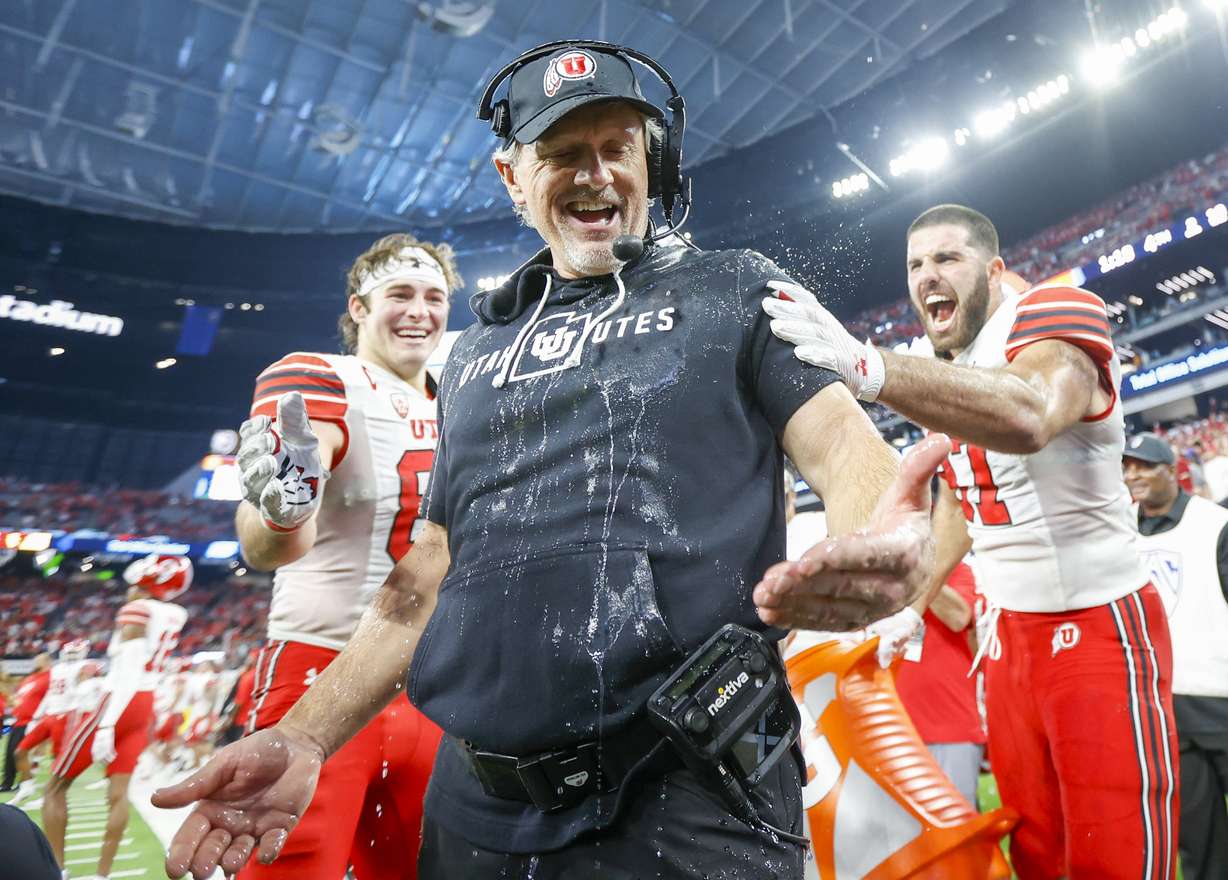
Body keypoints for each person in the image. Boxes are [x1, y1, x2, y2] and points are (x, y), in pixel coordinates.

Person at [154, 40, 946, 880]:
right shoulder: (473, 354)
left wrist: (880, 538)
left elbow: (843, 447)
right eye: (563, 154)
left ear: (658, 162)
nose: (595, 174)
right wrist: (305, 732)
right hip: (475, 812)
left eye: (618, 149)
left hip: (691, 801)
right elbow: (422, 580)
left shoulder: (738, 287)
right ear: (513, 179)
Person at [764, 203, 1178, 878]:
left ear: (993, 269)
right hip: (1006, 634)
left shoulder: (1052, 313)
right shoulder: (941, 361)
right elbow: (962, 489)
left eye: (947, 258)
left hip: (1098, 619)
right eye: (916, 264)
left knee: (1115, 850)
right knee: (1037, 848)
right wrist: (912, 603)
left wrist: (871, 369)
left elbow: (1030, 412)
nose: (929, 275)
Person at [214, 231, 455, 880]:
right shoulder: (323, 377)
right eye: (399, 294)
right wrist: (284, 507)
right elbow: (272, 544)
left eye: (434, 297)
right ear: (357, 307)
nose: (419, 310)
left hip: (437, 684)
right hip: (320, 671)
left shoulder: (466, 391)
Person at [42, 554, 191, 880]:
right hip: (145, 702)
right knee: (119, 794)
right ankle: (102, 874)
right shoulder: (176, 613)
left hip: (119, 701)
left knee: (55, 787)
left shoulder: (138, 609)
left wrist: (108, 723)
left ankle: (57, 869)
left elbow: (129, 666)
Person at [1125, 431, 1228, 880]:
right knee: (1199, 836)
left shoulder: (1214, 522)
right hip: (1165, 708)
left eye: (1144, 465)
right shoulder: (1117, 530)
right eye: (1127, 466)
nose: (1133, 475)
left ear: (1171, 469)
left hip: (1221, 694)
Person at [891, 560, 984, 806]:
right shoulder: (887, 577)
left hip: (951, 730)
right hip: (897, 732)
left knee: (957, 831)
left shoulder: (959, 571)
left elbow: (959, 616)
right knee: (905, 834)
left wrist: (914, 569)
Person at [7, 639, 91, 807]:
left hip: (66, 715)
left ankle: (50, 796)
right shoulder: (58, 669)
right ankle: (27, 786)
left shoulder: (85, 666)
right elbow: (50, 694)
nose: (71, 656)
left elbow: (84, 690)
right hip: (49, 716)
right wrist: (37, 716)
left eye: (74, 653)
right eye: (69, 653)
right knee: (20, 751)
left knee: (58, 760)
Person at [0, 652, 50, 798]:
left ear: (46, 662)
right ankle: (7, 783)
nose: (35, 662)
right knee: (11, 752)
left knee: (21, 753)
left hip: (32, 721)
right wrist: (14, 703)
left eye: (38, 660)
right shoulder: (30, 678)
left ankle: (24, 783)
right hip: (17, 721)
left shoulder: (50, 677)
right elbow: (18, 696)